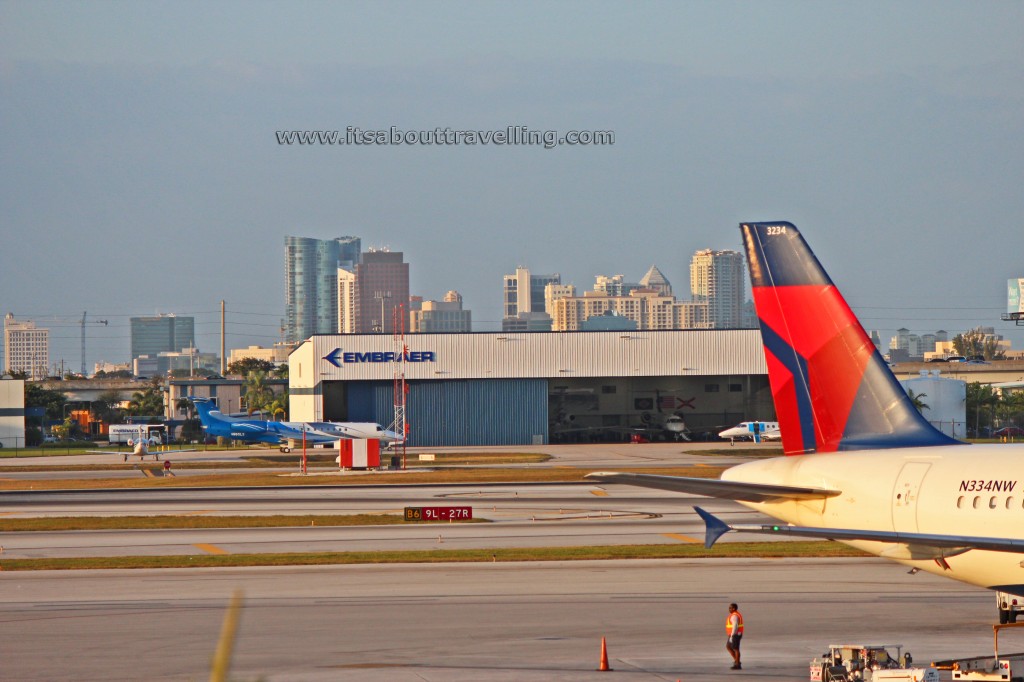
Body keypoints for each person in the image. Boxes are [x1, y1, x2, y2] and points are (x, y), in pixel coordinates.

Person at [726, 603, 744, 670]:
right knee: (728, 647)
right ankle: (737, 661)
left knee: (736, 649)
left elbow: (735, 626)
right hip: (733, 634)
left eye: (730, 608)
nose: (729, 609)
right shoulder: (734, 615)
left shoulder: (734, 616)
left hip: (735, 634)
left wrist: (732, 635)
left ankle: (737, 664)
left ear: (734, 608)